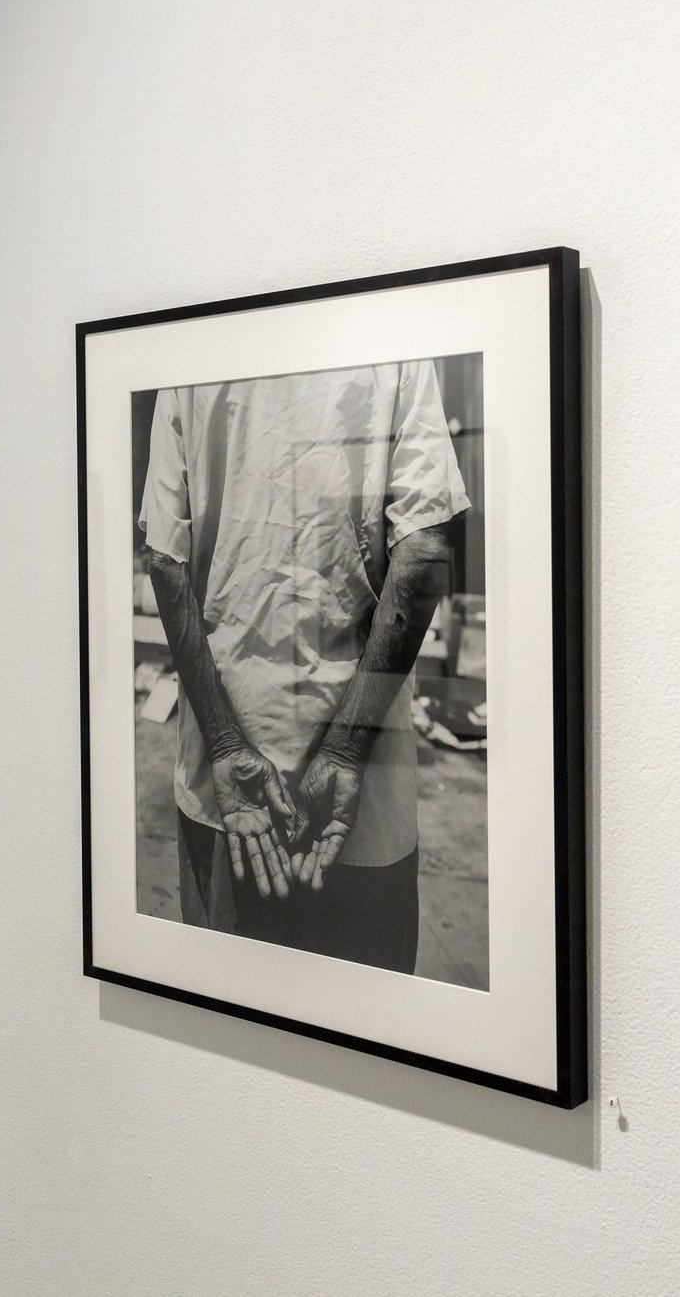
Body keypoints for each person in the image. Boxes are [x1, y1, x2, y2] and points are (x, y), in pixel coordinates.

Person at [140, 359, 467, 974]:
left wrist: (229, 741)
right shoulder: (395, 346)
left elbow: (164, 559)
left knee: (216, 1033)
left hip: (229, 794)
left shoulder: (189, 356)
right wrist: (344, 750)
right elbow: (423, 551)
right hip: (363, 790)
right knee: (366, 1044)